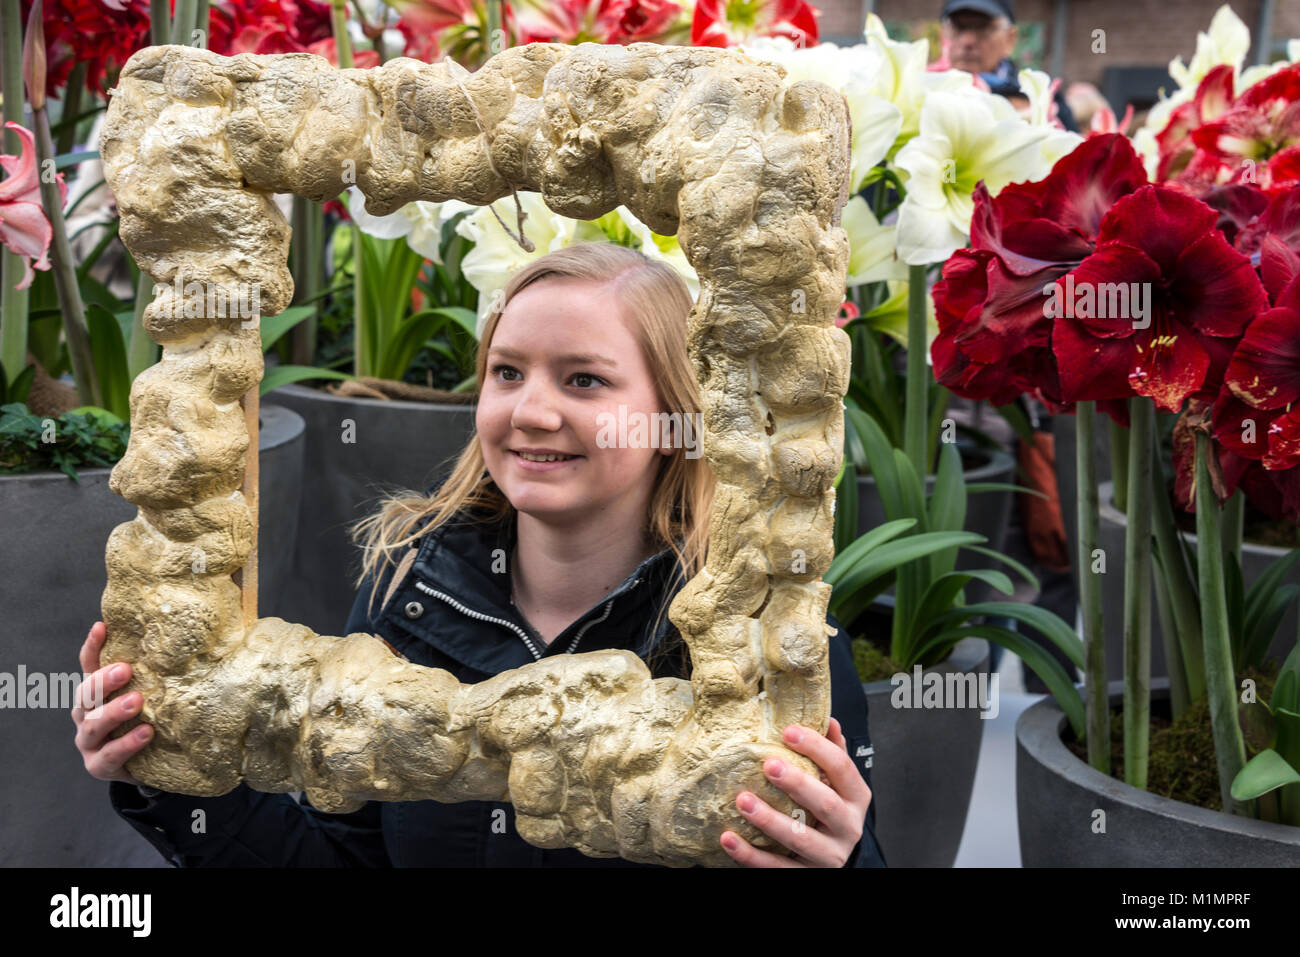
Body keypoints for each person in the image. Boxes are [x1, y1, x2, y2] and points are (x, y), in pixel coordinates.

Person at [73, 242, 886, 868]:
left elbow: (822, 841)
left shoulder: (760, 634)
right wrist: (160, 772)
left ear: (675, 412)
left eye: (584, 381)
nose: (531, 410)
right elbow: (342, 859)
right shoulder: (411, 586)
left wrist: (847, 859)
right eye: (507, 372)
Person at [938, 0, 1079, 132]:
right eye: (957, 27)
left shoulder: (1040, 96)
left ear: (1010, 39)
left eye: (983, 28)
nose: (967, 41)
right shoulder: (926, 88)